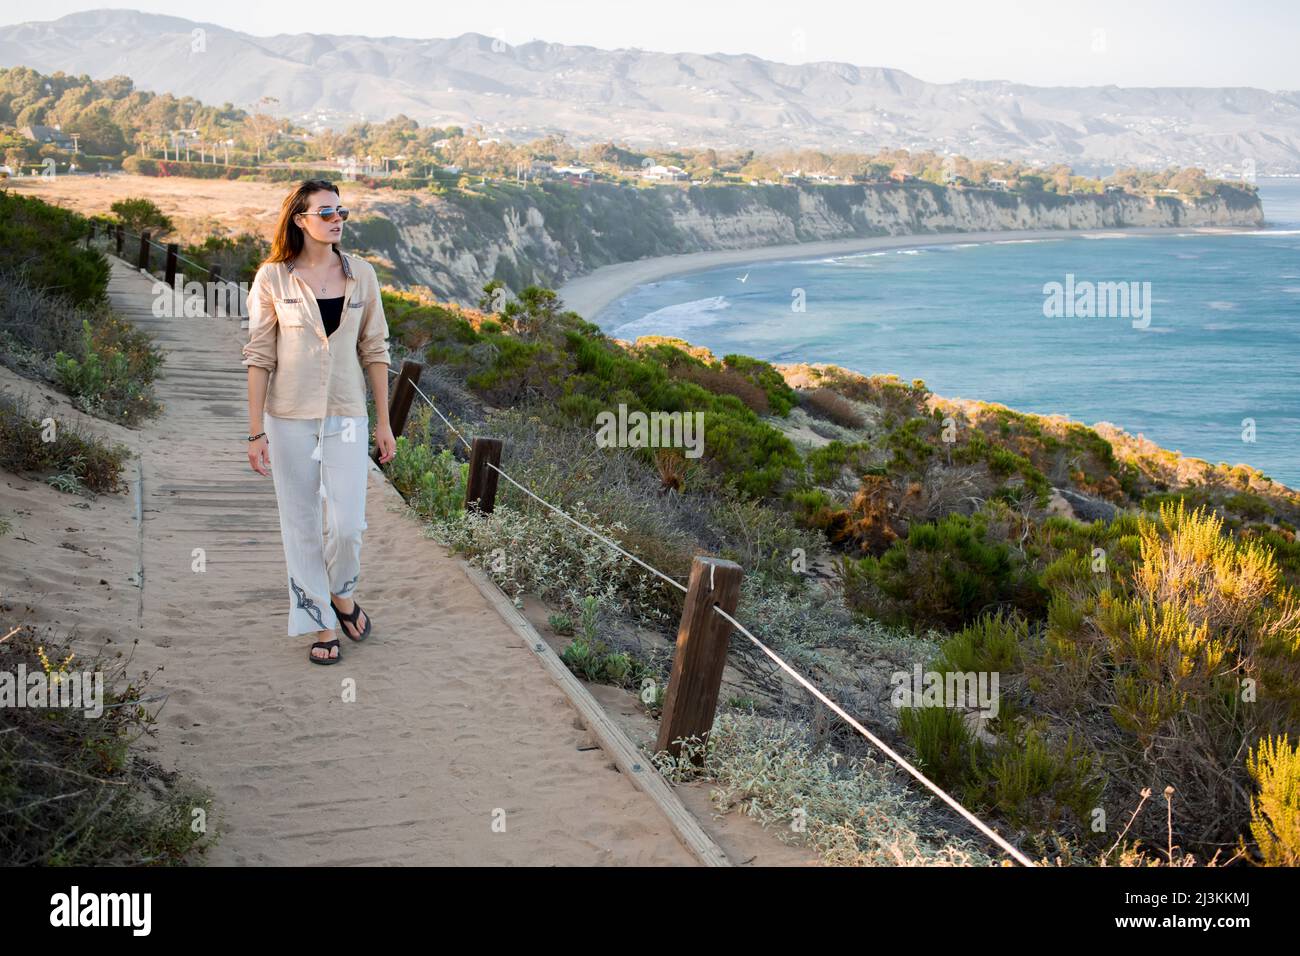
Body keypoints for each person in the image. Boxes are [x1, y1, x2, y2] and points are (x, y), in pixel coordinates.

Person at [242, 179, 396, 664]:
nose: (337, 220)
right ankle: (319, 619)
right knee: (301, 521)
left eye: (341, 212)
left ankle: (341, 591)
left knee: (349, 523)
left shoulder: (363, 275)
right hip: (287, 416)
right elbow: (259, 356)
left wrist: (384, 423)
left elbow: (375, 350)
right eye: (326, 212)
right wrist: (254, 432)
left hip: (347, 412)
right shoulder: (272, 278)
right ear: (300, 220)